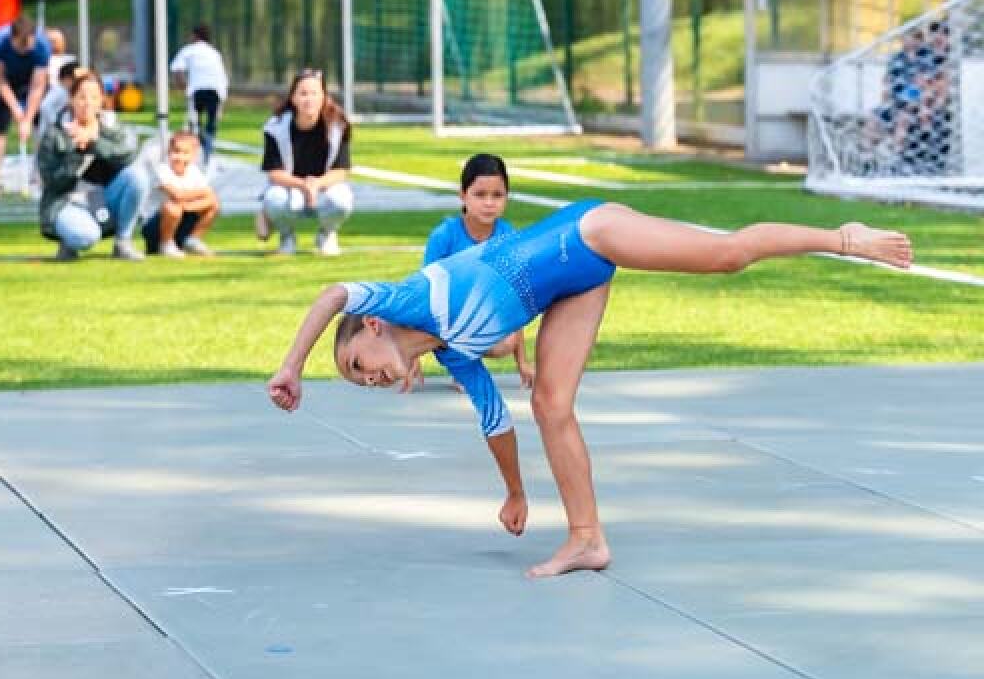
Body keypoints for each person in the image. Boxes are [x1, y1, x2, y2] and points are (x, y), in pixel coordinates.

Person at [268, 200, 913, 579]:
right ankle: (587, 538)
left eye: (357, 363)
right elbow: (495, 422)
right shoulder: (456, 354)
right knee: (549, 405)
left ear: (371, 327)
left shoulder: (405, 298)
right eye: (360, 382)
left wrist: (292, 367)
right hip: (573, 286)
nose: (369, 377)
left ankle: (844, 237)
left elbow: (333, 292)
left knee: (727, 256)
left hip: (588, 233)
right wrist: (515, 492)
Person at [424, 153, 533, 389]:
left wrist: (523, 362)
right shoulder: (444, 236)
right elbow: (423, 294)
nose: (489, 203)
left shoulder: (507, 238)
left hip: (483, 317)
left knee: (507, 341)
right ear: (463, 195)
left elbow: (515, 301)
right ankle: (460, 365)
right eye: (480, 194)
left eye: (497, 195)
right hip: (445, 320)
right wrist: (412, 357)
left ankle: (467, 363)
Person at [37, 68, 149, 261]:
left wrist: (94, 142)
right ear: (71, 99)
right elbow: (52, 181)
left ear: (102, 100)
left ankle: (123, 243)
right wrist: (77, 155)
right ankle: (68, 240)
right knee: (86, 236)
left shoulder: (112, 127)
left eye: (94, 97)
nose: (88, 103)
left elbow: (128, 153)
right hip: (67, 202)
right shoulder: (54, 134)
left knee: (138, 177)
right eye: (81, 97)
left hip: (104, 199)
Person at [255, 68, 353, 256]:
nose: (309, 99)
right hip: (290, 189)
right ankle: (286, 237)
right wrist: (304, 185)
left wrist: (316, 184)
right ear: (293, 98)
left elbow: (341, 171)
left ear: (323, 97)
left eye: (314, 93)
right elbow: (274, 173)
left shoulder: (338, 126)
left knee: (342, 199)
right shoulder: (275, 127)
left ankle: (327, 234)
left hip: (323, 189)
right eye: (303, 93)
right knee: (275, 198)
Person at [0, 13, 51, 199]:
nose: (26, 48)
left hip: (31, 83)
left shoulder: (42, 45)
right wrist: (17, 111)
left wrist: (27, 118)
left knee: (42, 129)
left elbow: (38, 86)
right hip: (5, 83)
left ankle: (40, 177)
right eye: (21, 45)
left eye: (29, 44)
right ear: (12, 38)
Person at [143, 129, 220, 257]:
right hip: (156, 227)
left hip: (182, 220)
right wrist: (200, 194)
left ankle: (192, 241)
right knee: (172, 208)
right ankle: (165, 245)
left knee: (214, 205)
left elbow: (211, 197)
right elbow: (177, 195)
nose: (180, 157)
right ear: (169, 152)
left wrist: (186, 206)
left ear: (193, 155)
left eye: (185, 153)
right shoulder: (162, 170)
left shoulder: (194, 172)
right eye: (176, 151)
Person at [170, 24, 229, 164]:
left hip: (197, 91)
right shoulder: (214, 53)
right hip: (214, 91)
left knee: (194, 124)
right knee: (211, 125)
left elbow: (176, 68)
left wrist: (182, 86)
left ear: (195, 36)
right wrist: (222, 101)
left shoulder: (189, 50)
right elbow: (222, 77)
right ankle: (207, 154)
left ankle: (194, 153)